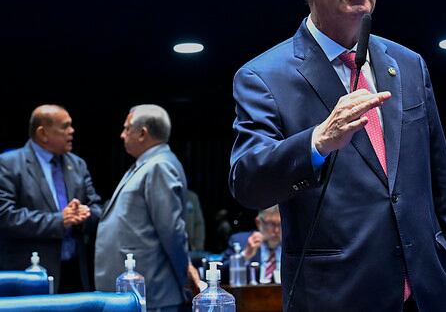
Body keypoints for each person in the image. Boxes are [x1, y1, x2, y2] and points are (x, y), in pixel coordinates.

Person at [229, 0, 446, 312]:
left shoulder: (408, 65)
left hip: (431, 299)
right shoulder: (263, 77)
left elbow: (444, 190)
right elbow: (248, 183)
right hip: (337, 298)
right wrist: (318, 141)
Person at [94, 104, 199, 312]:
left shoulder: (159, 166)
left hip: (152, 292)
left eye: (126, 129)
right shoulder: (146, 164)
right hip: (141, 289)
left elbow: (171, 230)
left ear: (142, 133)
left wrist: (184, 276)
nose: (122, 135)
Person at [0, 105, 102, 293]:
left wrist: (83, 214)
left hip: (75, 273)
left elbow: (96, 207)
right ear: (43, 133)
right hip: (30, 273)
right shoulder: (8, 164)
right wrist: (59, 220)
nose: (72, 131)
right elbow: (5, 216)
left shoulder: (77, 164)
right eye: (65, 126)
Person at [222, 205, 282, 284]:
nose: (276, 230)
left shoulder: (293, 246)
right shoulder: (239, 241)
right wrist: (245, 255)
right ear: (258, 222)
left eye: (281, 224)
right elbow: (222, 275)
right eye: (271, 224)